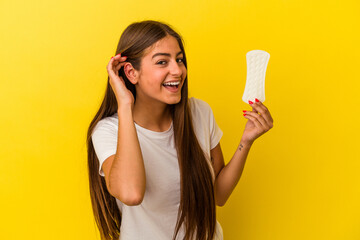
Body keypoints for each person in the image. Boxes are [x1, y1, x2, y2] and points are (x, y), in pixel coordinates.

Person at [86, 20, 274, 240]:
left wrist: (247, 141)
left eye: (179, 60)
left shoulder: (199, 113)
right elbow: (131, 193)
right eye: (162, 62)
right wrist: (125, 105)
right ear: (131, 73)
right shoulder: (108, 130)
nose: (177, 70)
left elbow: (218, 195)